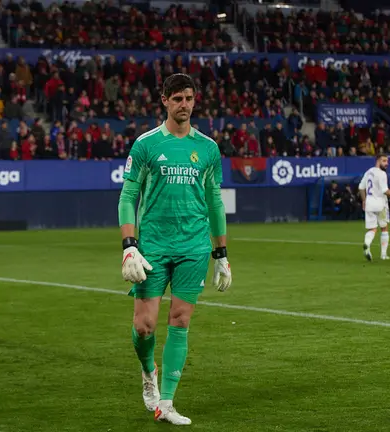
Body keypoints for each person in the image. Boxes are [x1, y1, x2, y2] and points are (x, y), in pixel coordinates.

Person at [117, 73, 232, 426]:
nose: (184, 104)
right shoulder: (146, 145)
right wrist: (129, 246)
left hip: (194, 247)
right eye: (177, 98)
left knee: (180, 320)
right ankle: (147, 371)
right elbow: (128, 196)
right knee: (144, 327)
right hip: (152, 246)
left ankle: (166, 403)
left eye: (189, 98)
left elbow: (214, 201)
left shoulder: (209, 148)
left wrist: (221, 254)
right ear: (164, 100)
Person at [358, 155, 390, 261]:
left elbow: (361, 187)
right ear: (378, 161)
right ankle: (383, 255)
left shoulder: (368, 172)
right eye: (384, 161)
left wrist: (364, 200)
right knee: (384, 228)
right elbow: (385, 190)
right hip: (380, 204)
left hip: (369, 204)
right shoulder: (382, 174)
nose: (386, 163)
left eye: (387, 161)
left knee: (372, 229)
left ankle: (367, 243)